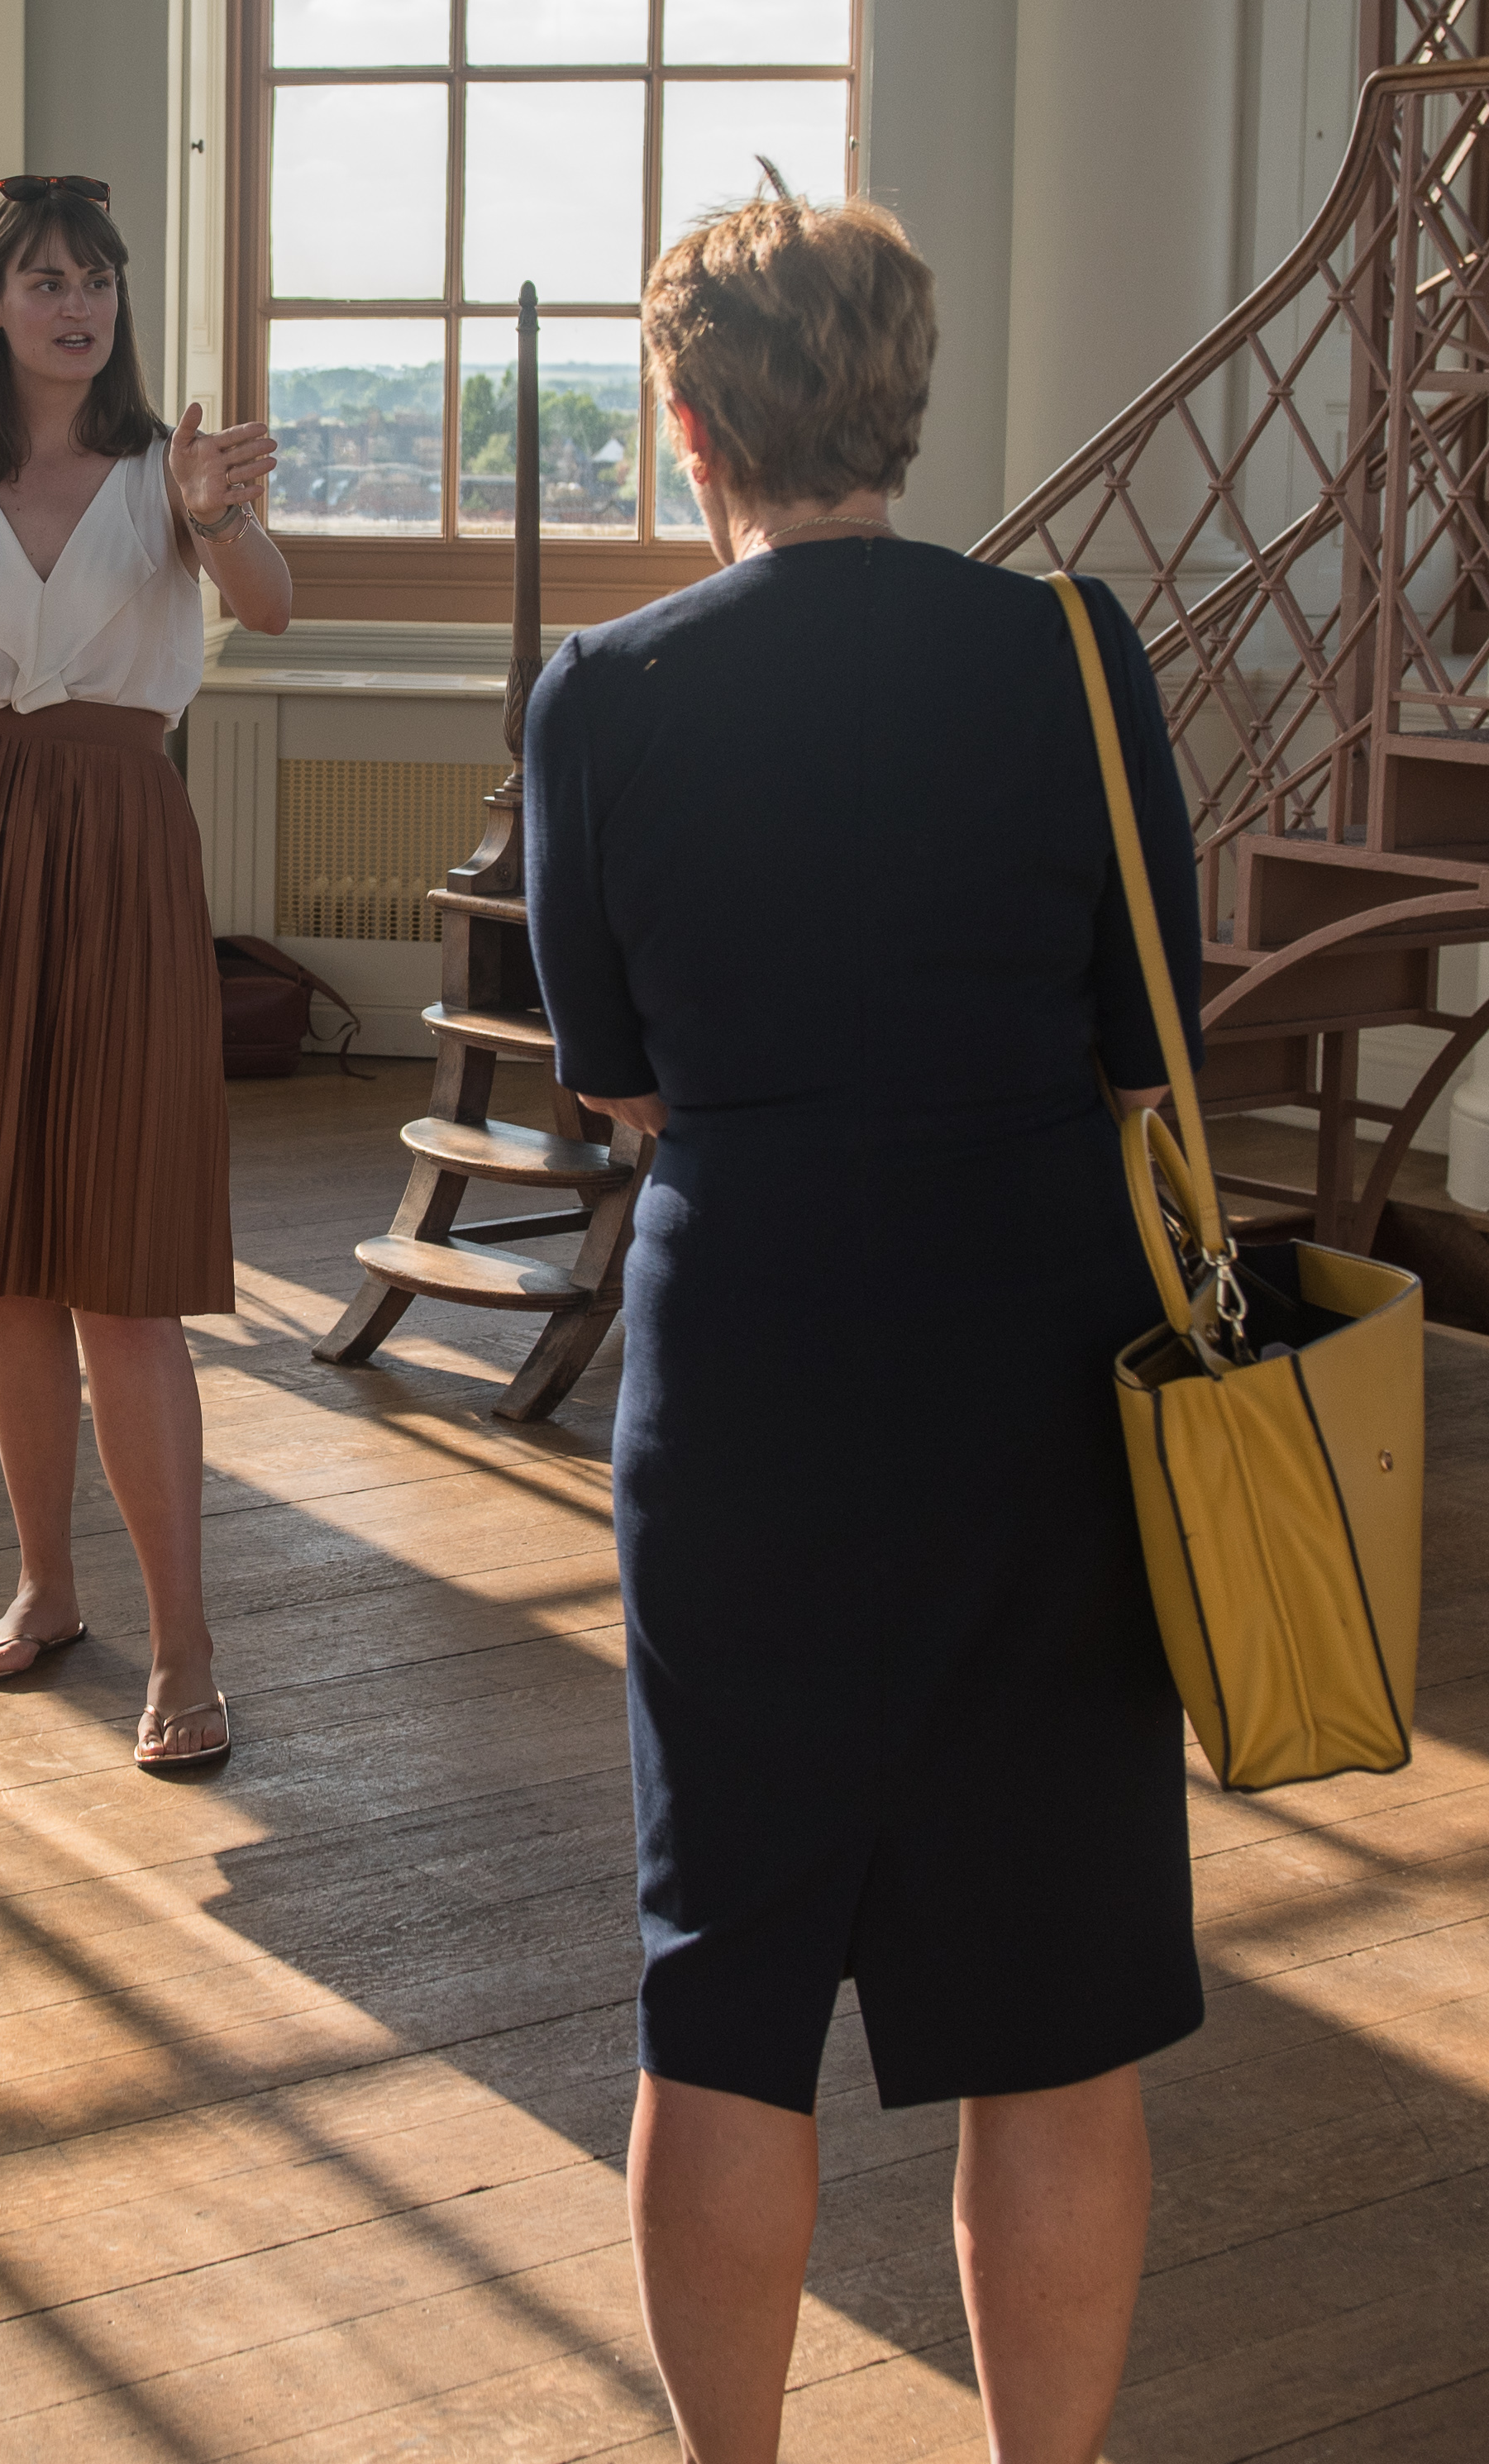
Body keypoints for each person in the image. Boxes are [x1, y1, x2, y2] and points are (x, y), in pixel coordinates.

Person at [522, 189, 1200, 2464]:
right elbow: (1150, 1034)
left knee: (723, 1995)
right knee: (1059, 2005)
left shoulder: (605, 695)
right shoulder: (1071, 655)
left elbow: (612, 1065)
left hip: (758, 1360)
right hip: (1040, 1355)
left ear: (692, 421)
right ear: (901, 395)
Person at [0, 173, 289, 1776]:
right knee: (0, 1258)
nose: (72, 302)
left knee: (121, 1268)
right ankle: (43, 1588)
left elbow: (274, 607)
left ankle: (187, 1647)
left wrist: (218, 515)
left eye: (93, 278)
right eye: (41, 277)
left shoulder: (172, 469)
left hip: (108, 851)